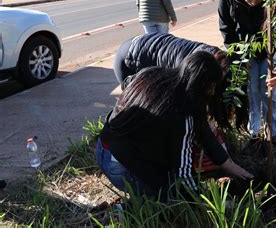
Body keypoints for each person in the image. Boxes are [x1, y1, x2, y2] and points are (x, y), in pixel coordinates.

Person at [96, 51, 253, 200]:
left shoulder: (153, 73)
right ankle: (127, 211)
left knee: (164, 175)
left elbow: (202, 130)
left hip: (104, 148)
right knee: (172, 197)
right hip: (121, 167)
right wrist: (200, 200)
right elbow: (183, 173)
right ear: (200, 85)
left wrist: (228, 164)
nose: (212, 93)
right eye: (211, 87)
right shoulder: (182, 113)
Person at [113, 32, 248, 130]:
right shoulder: (195, 71)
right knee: (142, 111)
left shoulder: (219, 59)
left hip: (147, 42)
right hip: (130, 58)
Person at [218, 0, 276, 137]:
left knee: (270, 93)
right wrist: (239, 58)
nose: (253, 4)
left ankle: (271, 136)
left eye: (259, 0)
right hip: (245, 48)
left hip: (272, 48)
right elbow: (226, 28)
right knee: (252, 92)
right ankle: (253, 134)